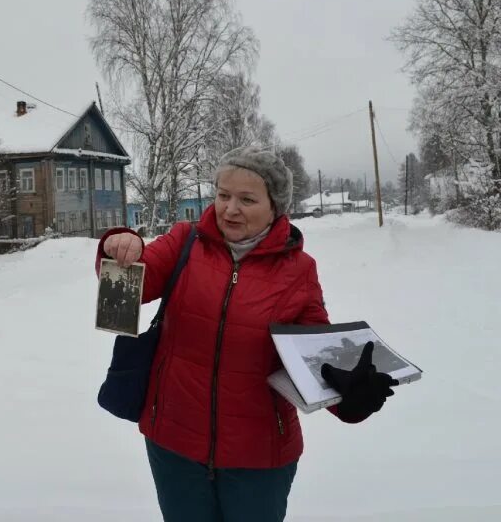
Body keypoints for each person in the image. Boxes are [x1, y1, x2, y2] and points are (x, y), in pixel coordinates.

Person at [96, 146, 397, 522]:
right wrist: (121, 246)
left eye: (247, 199)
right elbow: (136, 277)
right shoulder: (184, 241)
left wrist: (349, 398)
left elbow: (313, 354)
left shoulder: (298, 270)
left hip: (259, 455)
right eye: (223, 195)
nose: (230, 209)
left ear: (275, 207)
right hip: (174, 442)